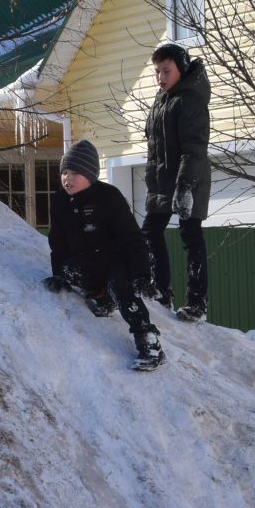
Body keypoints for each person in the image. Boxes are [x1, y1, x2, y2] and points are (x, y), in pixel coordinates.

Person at [44, 140, 165, 372]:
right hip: (89, 260)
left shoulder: (109, 197)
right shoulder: (60, 201)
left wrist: (141, 274)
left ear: (90, 175)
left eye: (75, 173)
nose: (67, 178)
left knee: (121, 288)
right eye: (65, 172)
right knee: (71, 270)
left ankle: (149, 344)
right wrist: (59, 273)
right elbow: (57, 241)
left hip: (117, 259)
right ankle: (102, 299)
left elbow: (132, 237)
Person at [142, 42, 212, 322]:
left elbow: (193, 148)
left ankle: (197, 303)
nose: (161, 77)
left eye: (166, 71)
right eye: (157, 72)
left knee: (190, 236)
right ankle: (160, 291)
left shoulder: (190, 100)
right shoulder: (163, 99)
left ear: (181, 69)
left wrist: (184, 187)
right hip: (162, 181)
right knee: (150, 232)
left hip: (188, 179)